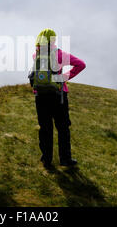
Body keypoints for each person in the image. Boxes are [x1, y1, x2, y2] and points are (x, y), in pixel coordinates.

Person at [30, 28, 86, 168]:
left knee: (45, 127)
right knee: (63, 127)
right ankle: (65, 159)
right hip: (58, 95)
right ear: (53, 40)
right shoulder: (60, 54)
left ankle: (46, 159)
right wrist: (63, 78)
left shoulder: (36, 54)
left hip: (41, 95)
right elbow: (81, 64)